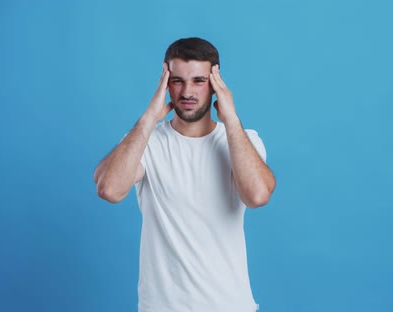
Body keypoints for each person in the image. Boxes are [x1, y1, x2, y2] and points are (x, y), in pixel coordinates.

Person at [94, 37, 276, 312]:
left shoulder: (241, 140)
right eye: (177, 80)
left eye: (199, 81)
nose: (187, 92)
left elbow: (258, 195)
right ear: (165, 83)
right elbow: (109, 188)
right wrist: (147, 119)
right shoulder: (146, 142)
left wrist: (231, 120)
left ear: (216, 84)